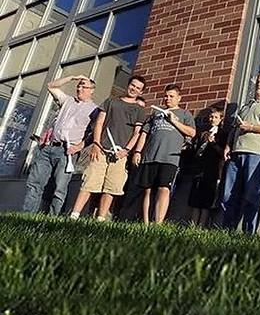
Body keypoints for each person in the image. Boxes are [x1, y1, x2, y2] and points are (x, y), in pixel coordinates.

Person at [68, 75, 146, 221]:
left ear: (141, 92)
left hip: (120, 154)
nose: (134, 89)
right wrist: (96, 144)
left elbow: (137, 133)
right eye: (132, 85)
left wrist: (126, 151)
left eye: (138, 88)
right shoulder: (111, 101)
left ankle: (101, 218)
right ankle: (74, 215)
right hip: (101, 150)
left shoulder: (140, 110)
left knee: (111, 187)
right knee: (89, 182)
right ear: (128, 85)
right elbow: (99, 123)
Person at [22, 75, 98, 215]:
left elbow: (96, 132)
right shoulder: (67, 100)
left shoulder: (95, 110)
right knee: (35, 183)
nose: (79, 88)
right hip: (48, 148)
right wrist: (72, 78)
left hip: (67, 151)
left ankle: (53, 218)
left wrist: (80, 146)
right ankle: (27, 216)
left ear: (92, 90)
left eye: (84, 86)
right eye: (79, 85)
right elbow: (51, 85)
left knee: (59, 188)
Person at [221, 71, 260, 234]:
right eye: (258, 82)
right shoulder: (245, 106)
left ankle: (249, 234)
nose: (259, 85)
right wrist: (228, 145)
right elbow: (235, 128)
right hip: (236, 153)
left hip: (257, 155)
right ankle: (227, 231)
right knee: (228, 194)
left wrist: (252, 127)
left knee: (251, 196)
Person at [132, 84, 196, 224]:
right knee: (148, 190)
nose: (168, 98)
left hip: (170, 158)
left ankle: (158, 223)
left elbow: (192, 132)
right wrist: (137, 151)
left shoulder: (185, 114)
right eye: (166, 96)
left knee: (164, 189)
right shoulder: (156, 113)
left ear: (179, 98)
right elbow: (144, 133)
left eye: (171, 96)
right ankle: (146, 223)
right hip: (150, 156)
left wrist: (173, 121)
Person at [187, 107, 226, 227]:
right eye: (211, 117)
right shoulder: (203, 133)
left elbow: (223, 153)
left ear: (221, 119)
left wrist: (213, 143)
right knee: (195, 200)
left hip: (212, 170)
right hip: (200, 168)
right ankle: (192, 226)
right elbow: (195, 149)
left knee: (206, 200)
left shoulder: (222, 134)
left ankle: (201, 226)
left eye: (215, 117)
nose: (212, 119)